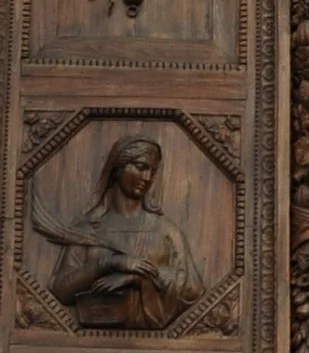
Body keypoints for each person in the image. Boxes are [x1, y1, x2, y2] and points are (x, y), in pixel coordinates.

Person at [35, 132, 204, 329]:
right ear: (117, 169)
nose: (148, 177)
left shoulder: (165, 231)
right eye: (141, 167)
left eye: (152, 171)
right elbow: (60, 289)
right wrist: (107, 264)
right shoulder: (89, 230)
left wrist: (137, 278)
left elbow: (192, 288)